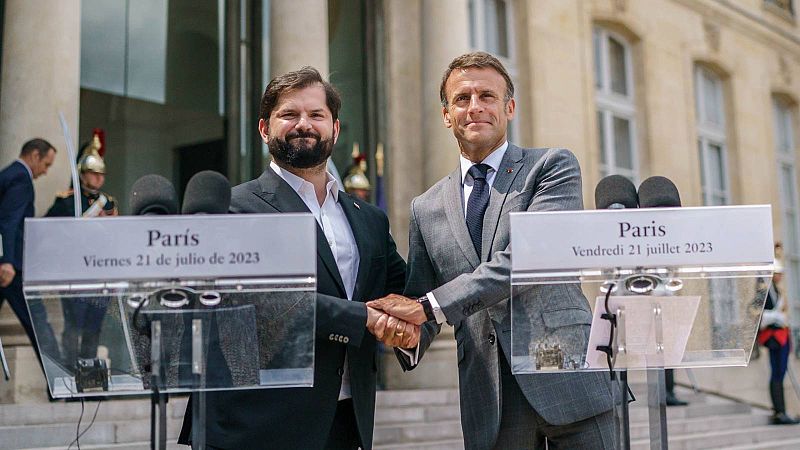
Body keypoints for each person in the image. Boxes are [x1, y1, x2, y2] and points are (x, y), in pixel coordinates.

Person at [368, 52, 616, 449]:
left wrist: (427, 308)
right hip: (489, 400)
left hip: (568, 381)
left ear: (509, 107)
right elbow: (422, 297)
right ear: (447, 115)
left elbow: (531, 259)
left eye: (487, 95)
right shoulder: (425, 207)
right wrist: (406, 334)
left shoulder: (551, 167)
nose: (475, 107)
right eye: (462, 98)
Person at [178, 66, 415, 449]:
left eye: (316, 115)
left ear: (335, 129)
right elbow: (259, 298)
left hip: (344, 423)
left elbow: (402, 290)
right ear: (264, 129)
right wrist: (363, 318)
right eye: (289, 114)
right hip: (251, 427)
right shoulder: (232, 208)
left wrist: (421, 316)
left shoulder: (369, 218)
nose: (303, 124)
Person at [45, 129, 117, 370]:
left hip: (99, 276)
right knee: (73, 329)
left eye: (100, 175)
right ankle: (70, 374)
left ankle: (88, 377)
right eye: (92, 174)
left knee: (93, 330)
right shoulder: (66, 202)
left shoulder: (107, 204)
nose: (97, 179)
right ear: (82, 174)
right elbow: (48, 234)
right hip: (74, 275)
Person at [0, 138, 60, 362]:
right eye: (46, 164)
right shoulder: (20, 179)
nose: (45, 172)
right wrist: (5, 260)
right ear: (35, 155)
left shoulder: (8, 174)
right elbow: (8, 222)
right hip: (11, 268)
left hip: (7, 263)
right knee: (38, 323)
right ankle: (60, 383)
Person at [757, 251, 800, 425]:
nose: (780, 276)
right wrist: (777, 317)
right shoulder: (766, 292)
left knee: (779, 374)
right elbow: (756, 314)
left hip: (780, 336)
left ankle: (780, 409)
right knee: (777, 374)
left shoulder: (775, 290)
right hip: (775, 336)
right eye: (778, 273)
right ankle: (779, 411)